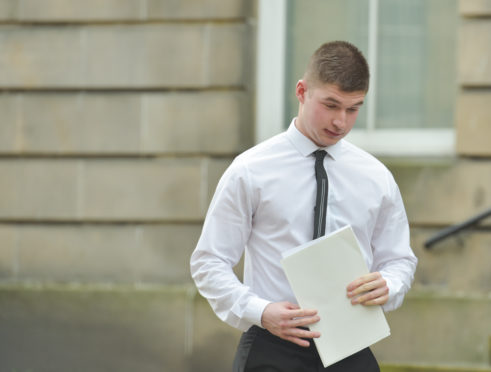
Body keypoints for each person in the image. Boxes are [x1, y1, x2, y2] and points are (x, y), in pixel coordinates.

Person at [190, 41, 417, 371]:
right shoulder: (250, 170)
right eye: (331, 104)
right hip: (271, 348)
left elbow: (399, 260)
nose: (340, 121)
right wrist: (260, 311)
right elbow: (209, 262)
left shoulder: (376, 177)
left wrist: (389, 284)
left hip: (352, 347)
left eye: (353, 109)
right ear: (302, 91)